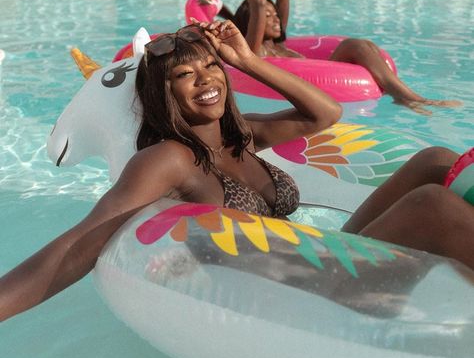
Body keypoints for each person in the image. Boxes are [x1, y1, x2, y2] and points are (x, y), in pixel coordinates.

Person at [0, 21, 472, 324]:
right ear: (162, 93)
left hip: (316, 260)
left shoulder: (239, 135)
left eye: (211, 66)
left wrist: (248, 61)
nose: (206, 80)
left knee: (433, 160)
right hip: (289, 295)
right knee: (430, 207)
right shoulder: (169, 158)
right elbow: (78, 243)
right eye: (185, 75)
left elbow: (324, 114)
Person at [210, 0, 462, 115]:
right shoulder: (254, 49)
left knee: (365, 46)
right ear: (255, 22)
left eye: (275, 13)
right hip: (309, 89)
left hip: (323, 78)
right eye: (268, 16)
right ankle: (410, 98)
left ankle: (403, 95)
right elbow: (256, 4)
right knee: (355, 46)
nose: (275, 18)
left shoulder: (279, 43)